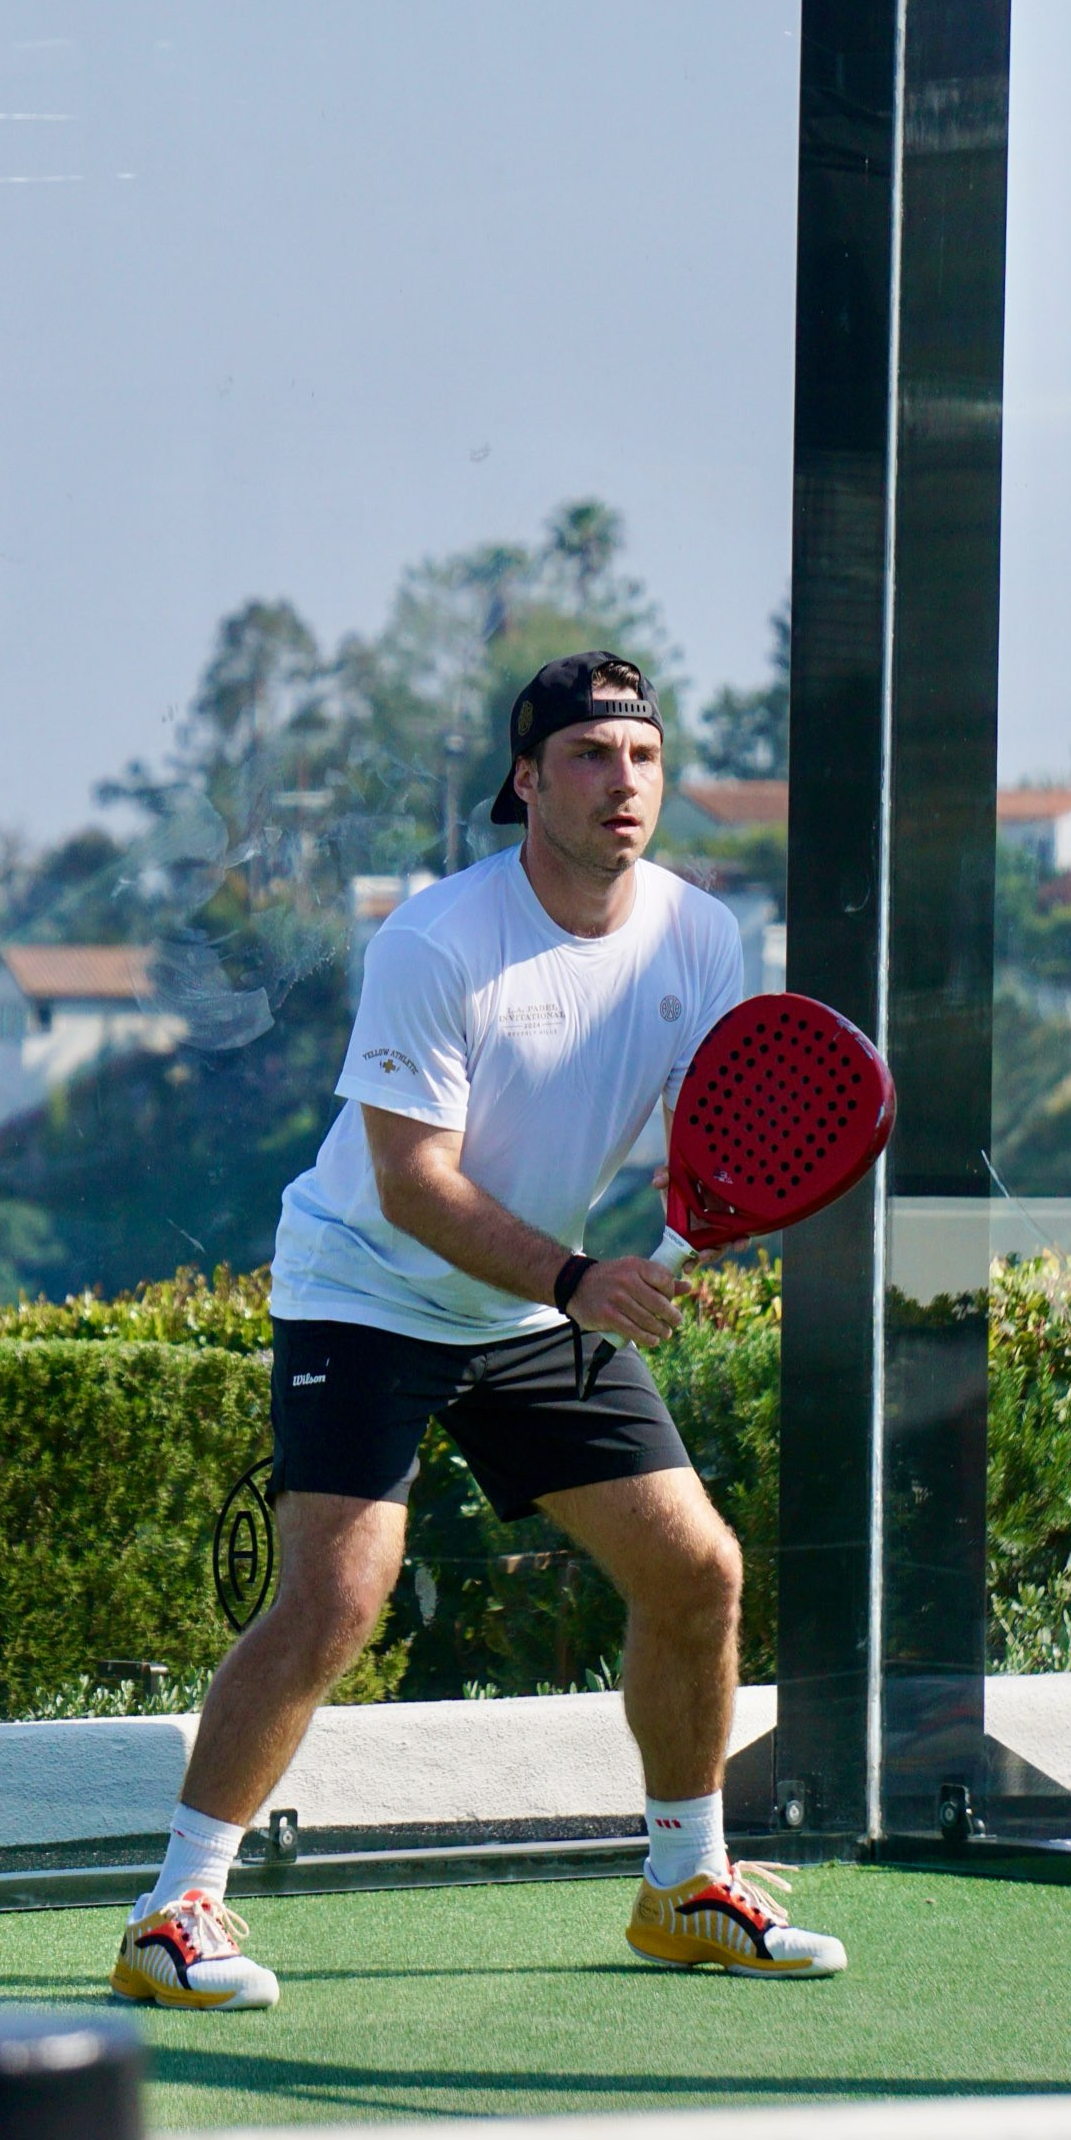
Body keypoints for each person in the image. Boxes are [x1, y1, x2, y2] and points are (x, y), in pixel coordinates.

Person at [111, 650, 846, 2011]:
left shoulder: (698, 936)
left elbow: (708, 1128)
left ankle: (686, 1885)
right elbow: (411, 1181)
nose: (622, 783)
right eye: (588, 756)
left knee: (696, 1572)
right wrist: (578, 1278)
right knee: (338, 1597)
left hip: (527, 1305)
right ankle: (173, 1912)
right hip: (369, 1290)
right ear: (526, 782)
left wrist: (720, 1207)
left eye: (643, 757)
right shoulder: (438, 940)